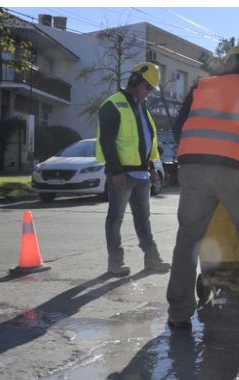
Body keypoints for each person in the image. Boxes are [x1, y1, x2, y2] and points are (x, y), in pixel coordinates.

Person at [166, 44, 239, 329]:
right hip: (229, 169)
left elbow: (178, 126)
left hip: (191, 166)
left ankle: (179, 313)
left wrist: (193, 153)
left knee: (188, 240)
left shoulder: (202, 86)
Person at [95, 62, 171, 277]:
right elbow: (107, 141)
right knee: (115, 218)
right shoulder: (112, 105)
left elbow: (145, 142)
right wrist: (116, 171)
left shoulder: (141, 108)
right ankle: (115, 262)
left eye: (151, 90)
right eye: (147, 88)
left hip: (141, 174)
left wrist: (152, 167)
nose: (148, 93)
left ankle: (152, 259)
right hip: (122, 174)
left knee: (143, 218)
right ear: (136, 81)